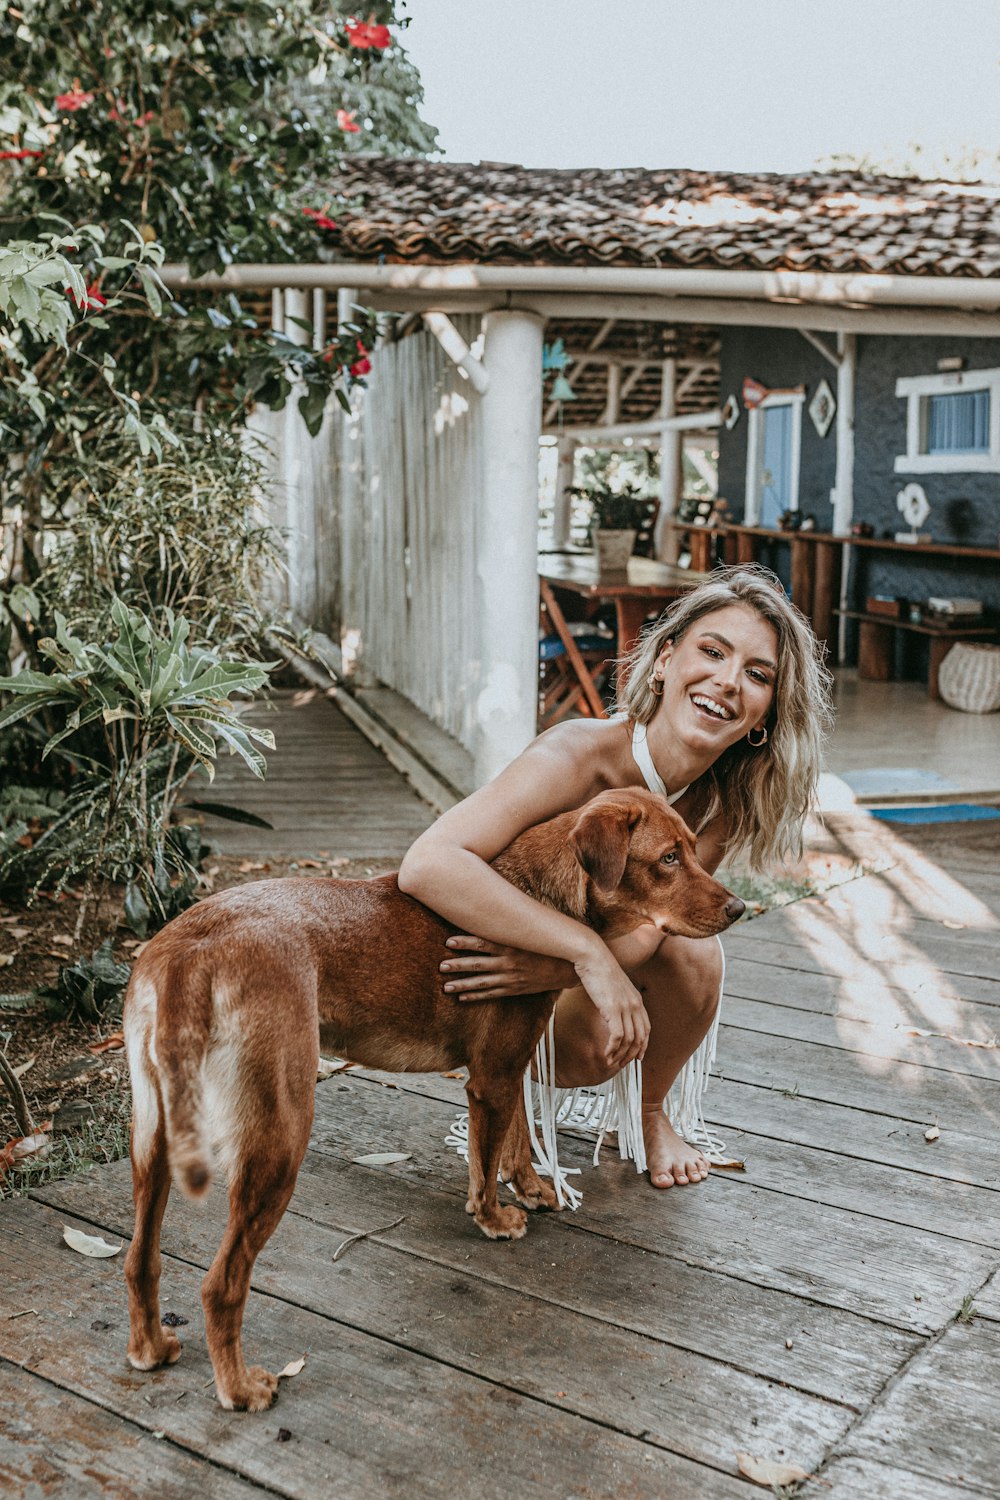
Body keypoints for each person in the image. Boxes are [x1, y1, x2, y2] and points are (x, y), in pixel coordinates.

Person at [398, 565, 833, 1191]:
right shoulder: (577, 755)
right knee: (598, 1038)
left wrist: (563, 969)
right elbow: (428, 863)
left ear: (765, 714)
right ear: (662, 661)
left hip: (545, 974)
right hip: (486, 976)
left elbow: (662, 924)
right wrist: (580, 954)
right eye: (711, 651)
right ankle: (506, 1090)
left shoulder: (723, 801)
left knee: (697, 952)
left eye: (757, 674)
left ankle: (651, 1112)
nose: (728, 681)